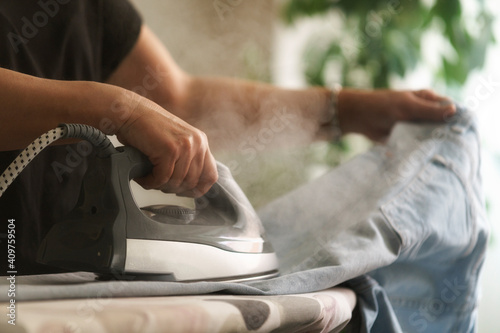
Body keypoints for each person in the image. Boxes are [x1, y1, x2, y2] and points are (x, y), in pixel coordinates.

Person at [0, 1, 454, 272]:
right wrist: (115, 110)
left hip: (56, 284)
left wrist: (346, 109)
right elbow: (138, 109)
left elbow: (178, 102)